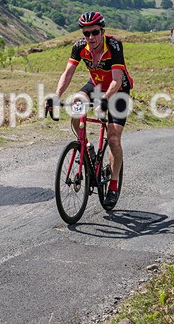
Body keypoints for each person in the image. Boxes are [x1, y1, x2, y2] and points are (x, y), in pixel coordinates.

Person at [48, 11, 133, 207]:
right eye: (86, 33)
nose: (91, 37)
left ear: (102, 31)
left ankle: (113, 185)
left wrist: (105, 100)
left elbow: (117, 79)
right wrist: (56, 96)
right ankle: (85, 147)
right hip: (95, 86)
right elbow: (68, 73)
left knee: (113, 138)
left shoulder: (114, 45)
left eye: (95, 32)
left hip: (118, 90)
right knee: (76, 105)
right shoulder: (80, 47)